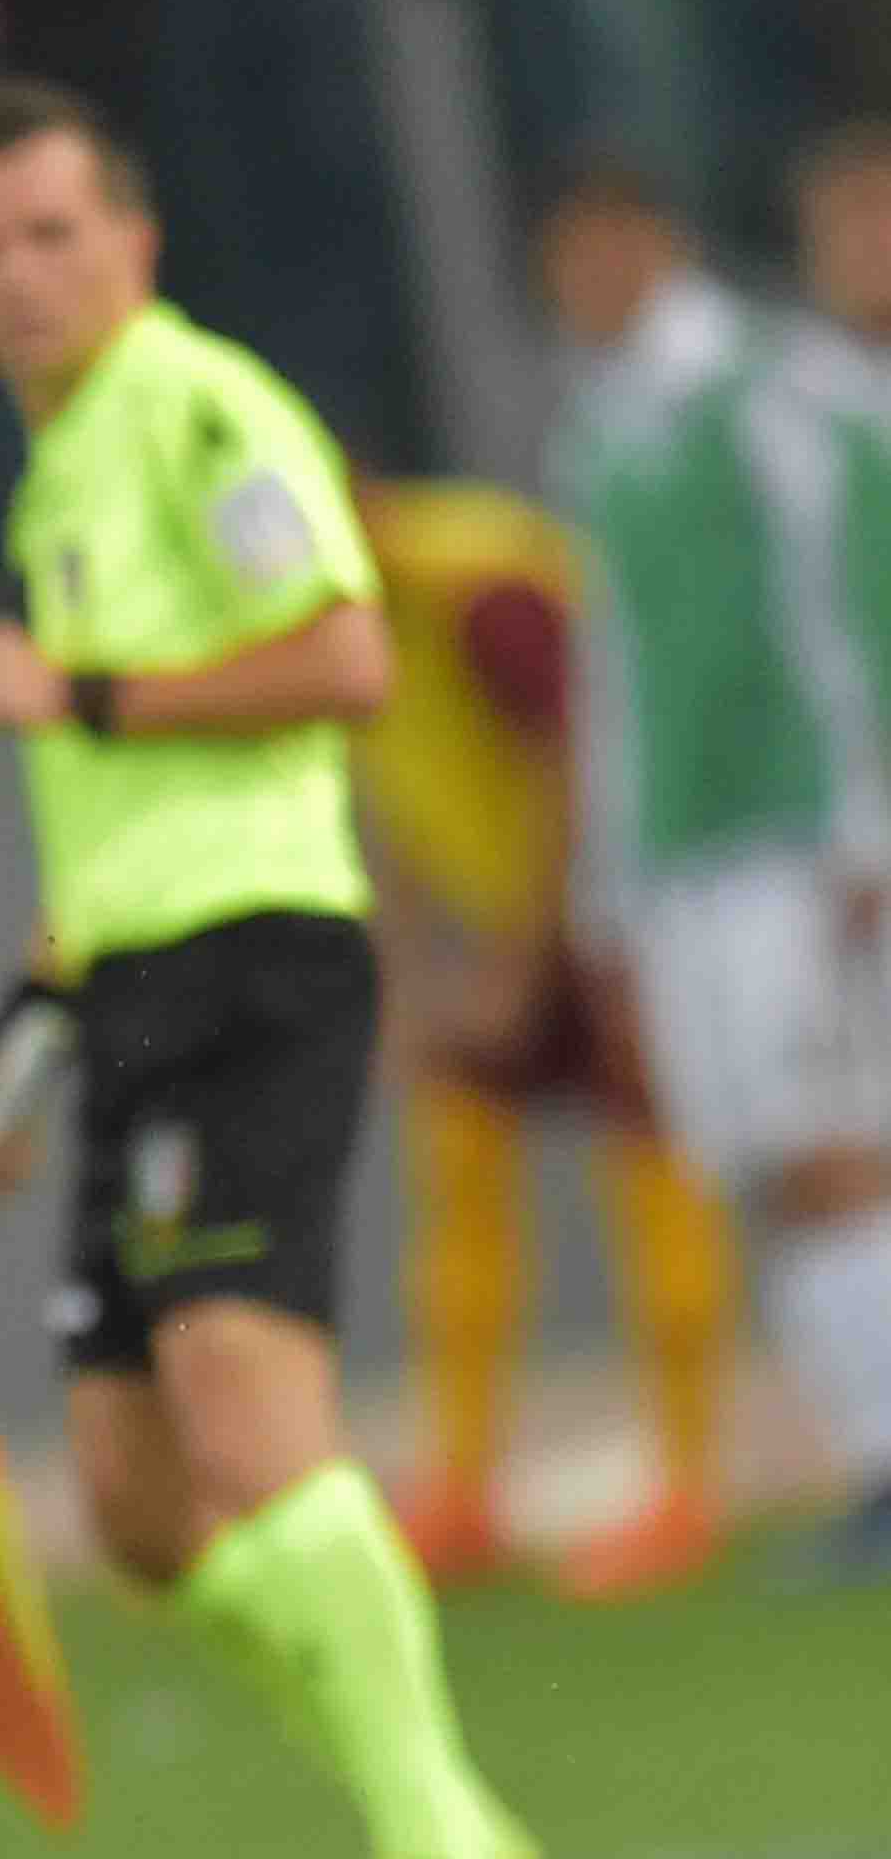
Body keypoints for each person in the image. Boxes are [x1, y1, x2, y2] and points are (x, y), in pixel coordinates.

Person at [0, 80, 554, 1859]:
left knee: (244, 1419)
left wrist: (81, 691)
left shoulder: (201, 410)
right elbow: (102, 841)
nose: (15, 276)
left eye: (50, 234)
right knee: (134, 1509)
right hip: (129, 992)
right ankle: (454, 1829)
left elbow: (344, 654)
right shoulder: (54, 474)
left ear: (133, 243)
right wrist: (14, 1065)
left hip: (253, 962)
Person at [537, 160, 891, 1578]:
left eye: (601, 246)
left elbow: (841, 601)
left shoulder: (772, 389)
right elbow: (613, 671)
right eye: (562, 260)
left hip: (795, 831)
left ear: (659, 238)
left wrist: (863, 819)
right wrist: (605, 889)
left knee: (835, 1138)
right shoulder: (599, 429)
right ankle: (869, 1458)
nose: (583, 280)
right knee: (764, 1155)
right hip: (683, 858)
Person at [351, 473, 734, 1599]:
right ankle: (462, 1487)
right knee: (457, 1178)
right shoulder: (326, 608)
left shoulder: (481, 586)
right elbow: (399, 796)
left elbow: (580, 760)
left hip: (619, 911)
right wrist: (408, 978)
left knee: (653, 1176)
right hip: (500, 915)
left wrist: (524, 964)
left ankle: (687, 1485)